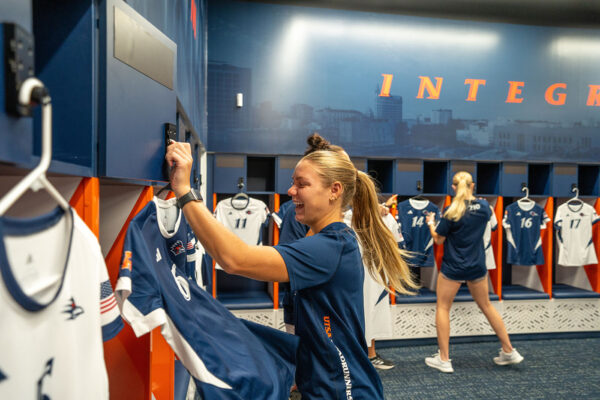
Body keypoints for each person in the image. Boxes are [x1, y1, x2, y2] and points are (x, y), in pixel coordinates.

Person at [165, 135, 418, 399]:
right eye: (292, 182)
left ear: (335, 190)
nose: (291, 191)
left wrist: (184, 190)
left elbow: (234, 259)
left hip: (344, 389)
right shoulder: (323, 237)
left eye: (302, 184)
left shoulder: (330, 247)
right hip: (325, 381)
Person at [424, 171, 523, 373]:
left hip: (453, 267)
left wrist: (431, 224)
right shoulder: (485, 207)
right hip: (477, 265)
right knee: (487, 305)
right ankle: (509, 350)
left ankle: (444, 359)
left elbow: (438, 240)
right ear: (473, 185)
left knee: (443, 307)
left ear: (453, 187)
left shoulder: (451, 211)